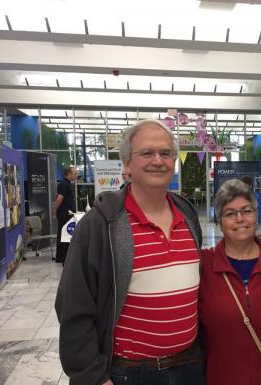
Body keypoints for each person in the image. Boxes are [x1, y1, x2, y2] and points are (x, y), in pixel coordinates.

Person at [55, 119, 205, 385]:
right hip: (129, 374)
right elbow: (73, 306)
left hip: (189, 368)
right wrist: (94, 377)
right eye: (146, 153)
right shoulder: (101, 224)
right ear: (126, 165)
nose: (158, 160)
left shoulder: (188, 215)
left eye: (166, 153)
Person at [199, 179, 261, 385]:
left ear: (256, 216)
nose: (240, 219)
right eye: (230, 214)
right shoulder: (203, 265)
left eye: (246, 211)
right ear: (219, 222)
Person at [52, 166, 77, 264]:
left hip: (67, 213)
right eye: (74, 174)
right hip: (64, 214)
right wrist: (55, 209)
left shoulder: (67, 184)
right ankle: (62, 256)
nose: (76, 175)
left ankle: (62, 256)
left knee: (64, 234)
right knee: (63, 235)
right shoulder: (64, 185)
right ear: (68, 174)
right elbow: (59, 199)